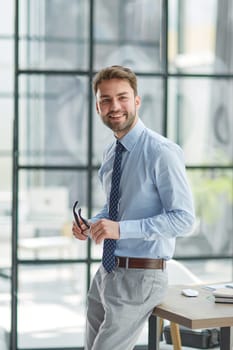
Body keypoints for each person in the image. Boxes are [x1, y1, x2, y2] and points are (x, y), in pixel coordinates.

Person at [72, 65, 195, 350]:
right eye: (105, 99)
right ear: (97, 107)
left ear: (137, 100)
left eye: (122, 97)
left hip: (142, 275)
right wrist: (92, 224)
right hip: (107, 272)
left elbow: (184, 219)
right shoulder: (111, 152)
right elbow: (116, 210)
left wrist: (120, 229)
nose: (114, 106)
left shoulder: (161, 152)